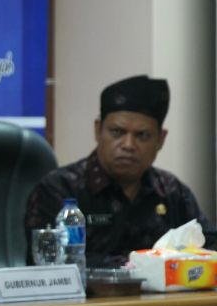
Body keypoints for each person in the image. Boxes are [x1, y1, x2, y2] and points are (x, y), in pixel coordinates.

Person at [25, 74, 217, 269]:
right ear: (98, 130)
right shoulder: (60, 189)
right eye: (117, 132)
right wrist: (140, 264)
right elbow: (48, 262)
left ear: (160, 139)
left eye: (142, 135)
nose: (128, 145)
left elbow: (210, 247)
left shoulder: (172, 192)